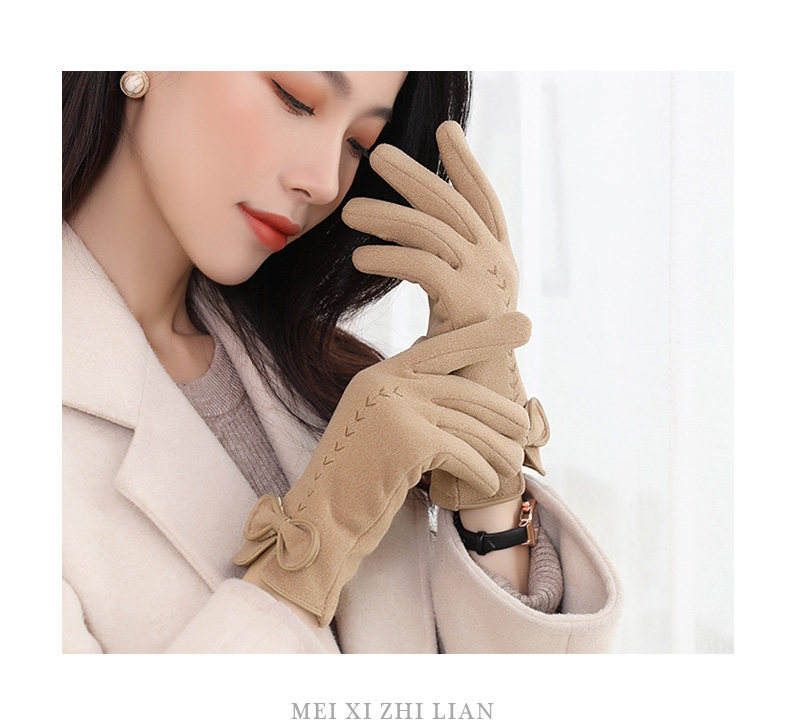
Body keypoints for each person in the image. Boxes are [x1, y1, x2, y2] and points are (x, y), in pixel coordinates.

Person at [62, 71, 622, 653]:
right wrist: (313, 550)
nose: (325, 181)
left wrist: (491, 480)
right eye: (295, 98)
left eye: (358, 144)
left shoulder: (331, 385)